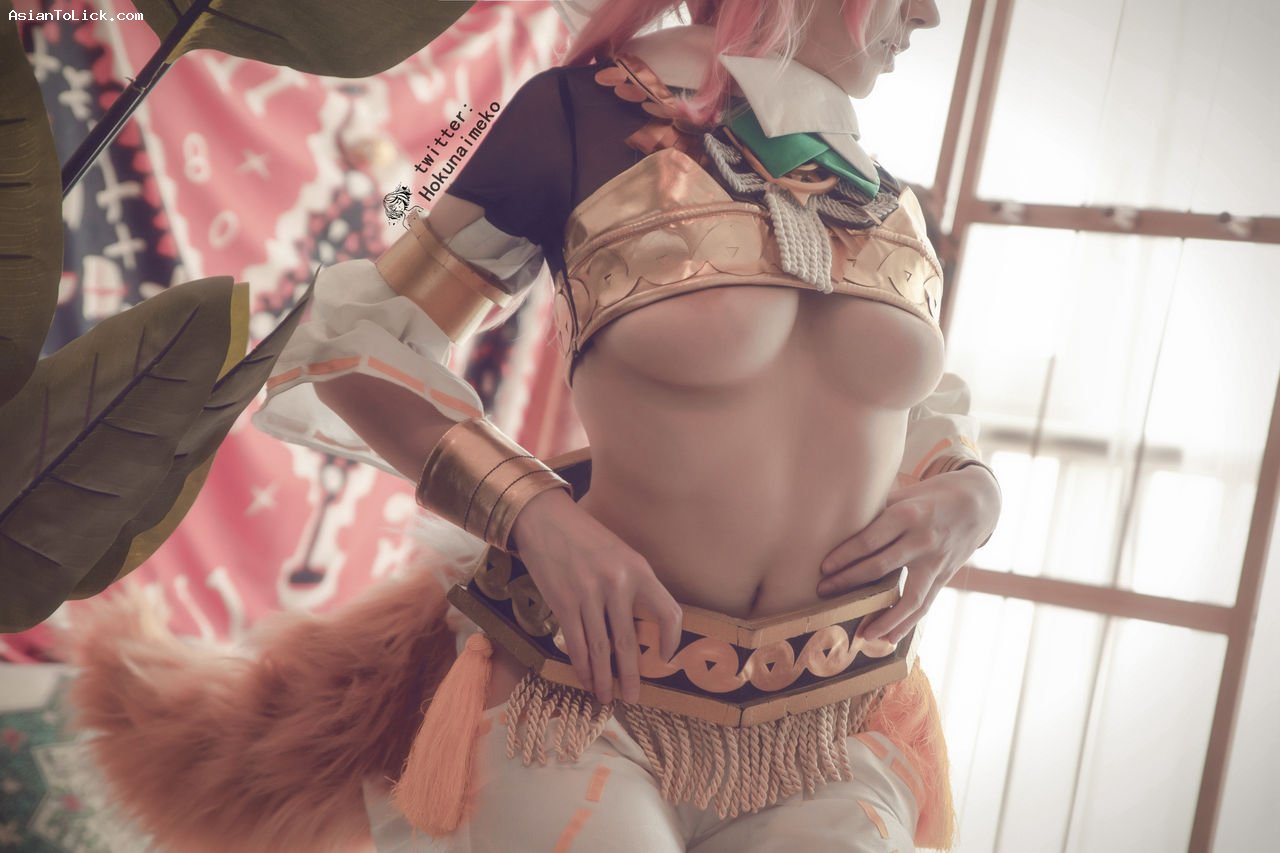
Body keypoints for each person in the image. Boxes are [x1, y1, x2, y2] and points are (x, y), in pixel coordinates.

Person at [67, 1, 1001, 851]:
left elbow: (903, 404)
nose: (926, 16)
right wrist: (533, 512)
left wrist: (971, 488)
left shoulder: (878, 192)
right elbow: (352, 342)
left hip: (839, 723)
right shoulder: (573, 118)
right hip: (585, 702)